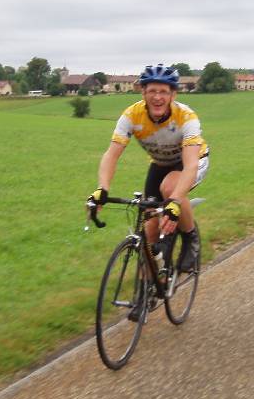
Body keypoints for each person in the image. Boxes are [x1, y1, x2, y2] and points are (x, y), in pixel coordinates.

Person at [88, 64, 209, 310]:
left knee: (170, 189)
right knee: (149, 230)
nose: (157, 97)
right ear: (142, 92)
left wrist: (175, 202)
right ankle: (150, 286)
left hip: (191, 163)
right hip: (159, 164)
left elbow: (190, 166)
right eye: (152, 90)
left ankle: (190, 237)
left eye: (164, 91)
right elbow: (111, 155)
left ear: (173, 95)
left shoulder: (187, 117)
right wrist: (102, 188)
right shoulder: (131, 116)